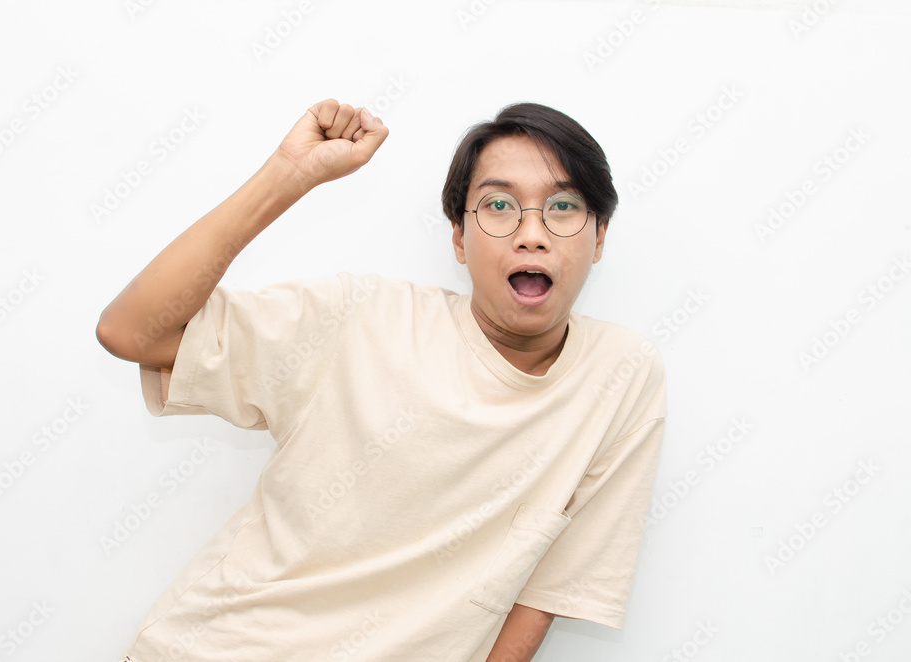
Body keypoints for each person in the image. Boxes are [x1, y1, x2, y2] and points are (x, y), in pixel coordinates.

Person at [96, 99, 667, 662]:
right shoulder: (357, 318)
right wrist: (288, 177)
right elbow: (131, 332)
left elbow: (547, 592)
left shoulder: (621, 375)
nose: (532, 234)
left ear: (599, 237)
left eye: (563, 207)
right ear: (459, 239)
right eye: (498, 205)